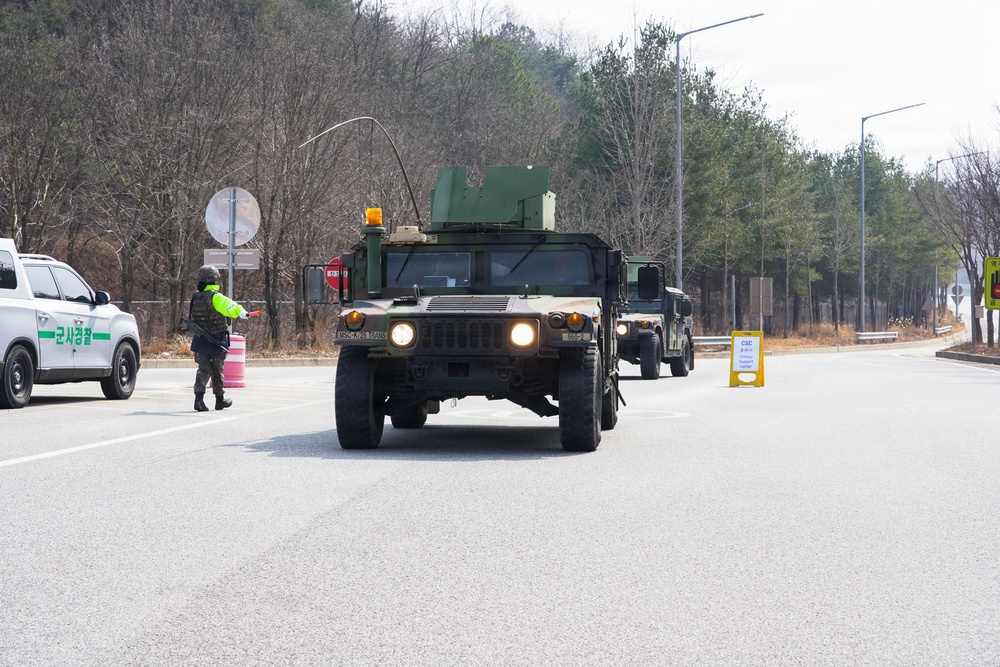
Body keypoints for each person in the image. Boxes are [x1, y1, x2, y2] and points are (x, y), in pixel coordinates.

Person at [188, 265, 248, 412]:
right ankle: (219, 400)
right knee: (217, 370)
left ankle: (199, 400)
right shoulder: (215, 296)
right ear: (214, 279)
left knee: (202, 370)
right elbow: (229, 306)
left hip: (200, 339)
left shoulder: (195, 297)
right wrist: (241, 312)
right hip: (216, 339)